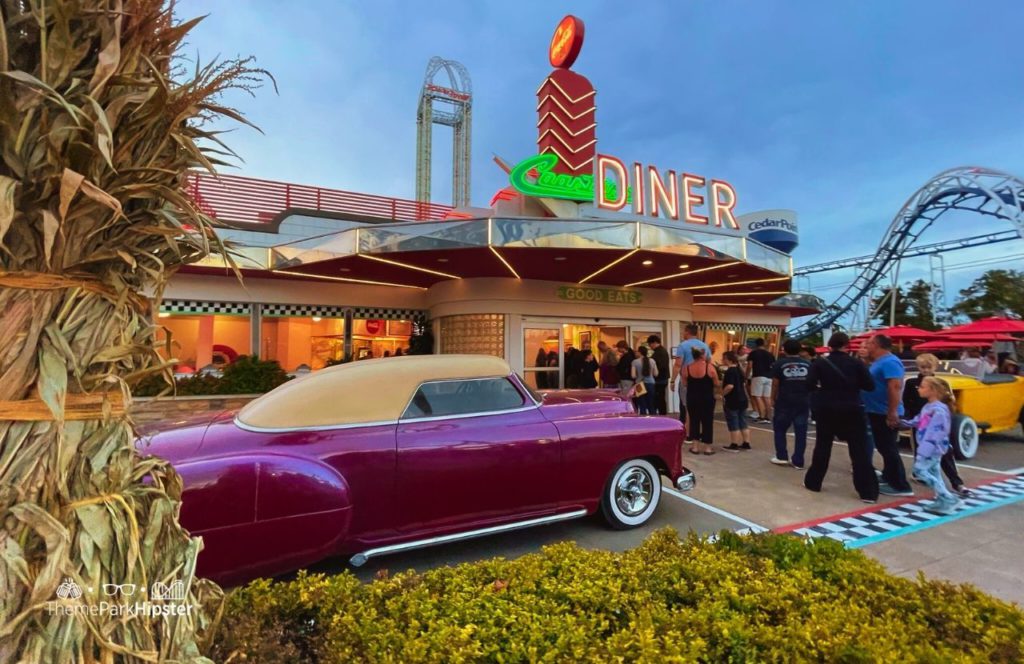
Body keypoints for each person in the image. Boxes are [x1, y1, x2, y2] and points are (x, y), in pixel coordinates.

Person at [803, 333, 879, 503]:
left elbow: (808, 385)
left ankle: (814, 482)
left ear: (830, 345)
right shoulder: (856, 363)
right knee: (858, 449)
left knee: (823, 445)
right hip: (852, 408)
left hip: (826, 408)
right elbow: (870, 386)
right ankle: (867, 491)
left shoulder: (820, 363)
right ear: (847, 345)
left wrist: (822, 390)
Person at [903, 354, 972, 497]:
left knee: (945, 453)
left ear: (934, 367)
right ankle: (925, 477)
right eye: (923, 367)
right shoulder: (912, 383)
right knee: (921, 452)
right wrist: (908, 418)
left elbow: (949, 402)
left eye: (929, 367)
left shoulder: (941, 383)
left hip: (937, 424)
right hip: (921, 423)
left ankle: (956, 483)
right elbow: (907, 402)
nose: (926, 370)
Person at [900, 376, 961, 515]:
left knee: (920, 471)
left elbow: (935, 433)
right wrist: (904, 423)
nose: (918, 389)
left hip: (932, 448)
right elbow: (920, 421)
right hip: (931, 447)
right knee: (934, 473)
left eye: (922, 387)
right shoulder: (929, 407)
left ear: (932, 390)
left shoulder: (938, 410)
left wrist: (923, 451)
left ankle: (948, 497)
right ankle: (942, 498)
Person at [863, 334, 913, 496]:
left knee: (889, 448)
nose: (866, 346)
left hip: (884, 412)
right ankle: (888, 475)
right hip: (875, 411)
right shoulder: (878, 362)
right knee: (884, 446)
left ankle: (900, 485)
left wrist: (892, 412)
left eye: (869, 343)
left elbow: (895, 387)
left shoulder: (891, 362)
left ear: (877, 345)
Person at [769, 339, 811, 469]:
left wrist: (772, 398)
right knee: (801, 431)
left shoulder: (779, 364)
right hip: (803, 401)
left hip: (784, 401)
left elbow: (775, 383)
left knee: (780, 429)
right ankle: (798, 461)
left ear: (784, 349)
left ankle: (782, 456)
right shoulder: (808, 364)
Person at [671, 324, 711, 428]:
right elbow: (709, 362)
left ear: (687, 332)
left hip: (687, 379)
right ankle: (699, 430)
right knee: (700, 405)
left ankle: (688, 430)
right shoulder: (704, 346)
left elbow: (678, 365)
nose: (683, 334)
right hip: (702, 380)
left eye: (684, 331)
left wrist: (672, 380)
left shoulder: (683, 346)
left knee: (686, 405)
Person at [684, 347, 719, 454]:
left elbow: (685, 383)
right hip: (707, 398)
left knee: (694, 420)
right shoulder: (710, 367)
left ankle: (695, 447)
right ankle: (707, 448)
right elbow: (716, 383)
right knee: (707, 421)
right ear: (702, 356)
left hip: (692, 397)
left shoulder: (687, 368)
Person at [721, 351, 752, 451]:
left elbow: (730, 386)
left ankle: (734, 444)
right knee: (743, 421)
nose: (722, 360)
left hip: (732, 400)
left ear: (728, 359)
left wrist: (722, 394)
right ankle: (746, 442)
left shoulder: (730, 371)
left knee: (733, 422)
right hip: (742, 399)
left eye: (723, 358)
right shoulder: (739, 370)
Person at [746, 338, 775, 423]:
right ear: (764, 344)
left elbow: (750, 365)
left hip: (758, 375)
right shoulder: (770, 354)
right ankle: (768, 417)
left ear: (756, 344)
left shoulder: (753, 353)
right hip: (769, 377)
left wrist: (746, 376)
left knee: (757, 396)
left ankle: (762, 416)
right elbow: (773, 365)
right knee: (767, 397)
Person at [631, 345, 658, 415]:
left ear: (640, 352)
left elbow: (633, 376)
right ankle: (653, 419)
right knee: (651, 404)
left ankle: (644, 421)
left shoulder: (635, 362)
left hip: (639, 384)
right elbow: (656, 374)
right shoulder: (652, 361)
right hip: (651, 384)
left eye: (637, 352)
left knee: (642, 404)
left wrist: (638, 375)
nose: (636, 353)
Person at [647, 334, 671, 415]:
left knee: (659, 398)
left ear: (654, 343)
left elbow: (660, 366)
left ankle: (662, 414)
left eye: (650, 344)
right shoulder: (661, 351)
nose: (650, 347)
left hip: (660, 379)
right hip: (662, 378)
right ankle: (662, 414)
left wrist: (653, 372)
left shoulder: (659, 352)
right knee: (660, 398)